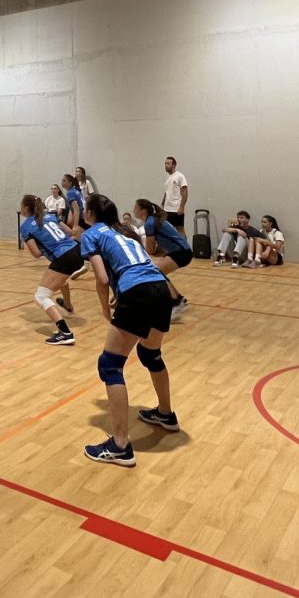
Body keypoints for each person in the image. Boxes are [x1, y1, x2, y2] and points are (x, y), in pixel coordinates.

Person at [79, 193, 179, 466]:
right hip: (160, 288)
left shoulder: (91, 234)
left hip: (138, 293)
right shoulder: (125, 231)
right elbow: (137, 264)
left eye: (85, 209)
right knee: (150, 355)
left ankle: (120, 445)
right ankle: (166, 414)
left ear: (90, 213)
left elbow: (102, 278)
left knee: (110, 365)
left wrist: (104, 308)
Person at [17, 194, 79, 345]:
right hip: (77, 251)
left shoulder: (25, 227)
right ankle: (67, 304)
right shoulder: (51, 216)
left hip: (64, 257)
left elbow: (37, 254)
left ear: (26, 208)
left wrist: (41, 244)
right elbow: (70, 233)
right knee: (60, 279)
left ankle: (65, 333)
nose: (20, 208)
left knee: (41, 296)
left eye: (21, 205)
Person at [134, 197, 190, 314]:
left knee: (156, 273)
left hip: (180, 252)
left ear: (143, 210)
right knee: (158, 272)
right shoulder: (154, 220)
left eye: (136, 208)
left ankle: (176, 302)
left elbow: (150, 249)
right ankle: (179, 298)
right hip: (182, 251)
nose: (133, 210)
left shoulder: (150, 223)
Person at [161, 156, 188, 229]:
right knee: (168, 229)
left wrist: (181, 207)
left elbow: (185, 191)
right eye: (165, 163)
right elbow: (167, 192)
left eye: (168, 163)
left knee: (180, 229)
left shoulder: (180, 176)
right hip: (167, 209)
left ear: (174, 165)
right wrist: (162, 204)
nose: (166, 165)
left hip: (176, 209)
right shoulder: (168, 177)